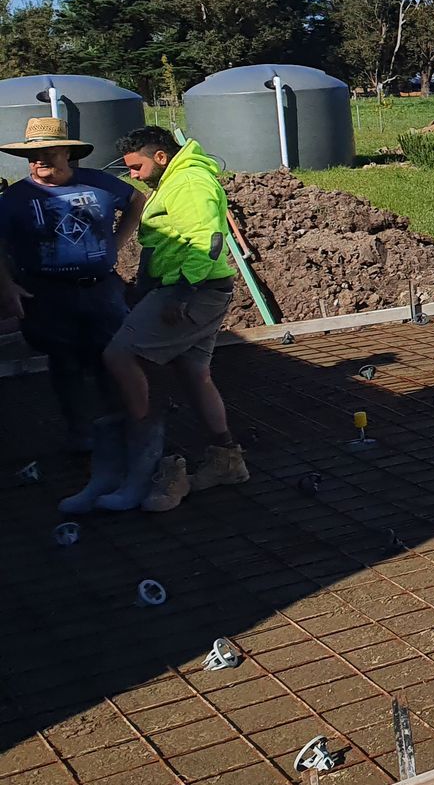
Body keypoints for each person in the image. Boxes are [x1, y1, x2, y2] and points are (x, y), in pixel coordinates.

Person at [65, 127, 249, 513]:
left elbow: (207, 240)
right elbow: (160, 239)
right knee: (192, 373)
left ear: (160, 156)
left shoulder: (190, 183)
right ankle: (225, 457)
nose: (132, 174)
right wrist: (142, 286)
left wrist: (181, 293)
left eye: (136, 166)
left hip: (190, 290)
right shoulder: (174, 181)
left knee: (120, 357)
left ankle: (146, 458)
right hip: (194, 288)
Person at [0, 117, 139, 450]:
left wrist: (118, 242)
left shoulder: (100, 184)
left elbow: (137, 200)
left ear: (68, 152)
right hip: (45, 291)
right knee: (64, 363)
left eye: (49, 151)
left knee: (113, 358)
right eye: (33, 155)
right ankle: (81, 434)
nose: (40, 159)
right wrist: (6, 285)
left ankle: (122, 427)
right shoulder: (16, 198)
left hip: (101, 288)